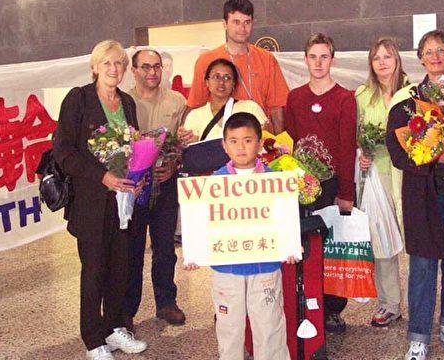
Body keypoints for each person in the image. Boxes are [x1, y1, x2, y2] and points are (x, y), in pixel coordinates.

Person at [386, 30, 444, 360]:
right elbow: (398, 153)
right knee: (424, 265)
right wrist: (438, 156)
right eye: (429, 51)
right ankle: (419, 335)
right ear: (420, 58)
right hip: (424, 193)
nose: (436, 56)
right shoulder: (407, 103)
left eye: (441, 49)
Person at [52, 40, 147, 360]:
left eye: (119, 63)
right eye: (107, 63)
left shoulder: (128, 103)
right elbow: (64, 151)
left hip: (124, 203)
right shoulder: (78, 99)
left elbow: (135, 148)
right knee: (94, 272)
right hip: (91, 203)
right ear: (95, 67)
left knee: (121, 268)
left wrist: (139, 175)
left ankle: (115, 327)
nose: (114, 69)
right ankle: (93, 338)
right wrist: (102, 176)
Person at [184, 112, 295, 360]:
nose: (241, 147)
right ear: (224, 145)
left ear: (259, 143)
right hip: (227, 269)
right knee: (229, 329)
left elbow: (283, 219)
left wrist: (289, 246)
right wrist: (194, 251)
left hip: (264, 267)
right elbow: (201, 222)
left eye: (247, 140)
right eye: (233, 141)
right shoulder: (214, 182)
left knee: (270, 327)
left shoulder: (273, 181)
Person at [285, 33, 357, 333]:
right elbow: (289, 141)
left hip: (332, 186)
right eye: (313, 57)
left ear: (332, 59)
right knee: (302, 247)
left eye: (324, 56)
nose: (318, 62)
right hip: (301, 187)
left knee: (332, 248)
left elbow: (346, 148)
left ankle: (332, 309)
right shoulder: (295, 97)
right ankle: (302, 300)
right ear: (305, 60)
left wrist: (345, 192)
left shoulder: (344, 99)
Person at [123, 49, 187, 330]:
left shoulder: (177, 101)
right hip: (133, 188)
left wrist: (174, 164)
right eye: (145, 67)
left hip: (166, 183)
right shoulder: (122, 102)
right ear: (134, 70)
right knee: (132, 250)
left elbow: (183, 142)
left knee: (165, 248)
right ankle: (126, 310)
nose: (152, 72)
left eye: (157, 67)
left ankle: (166, 302)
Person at [355, 38, 409, 328]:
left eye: (388, 56)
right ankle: (389, 303)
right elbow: (356, 134)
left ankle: (420, 301)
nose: (383, 62)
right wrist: (362, 153)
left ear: (397, 60)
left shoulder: (412, 91)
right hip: (378, 175)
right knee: (382, 241)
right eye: (377, 58)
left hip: (409, 175)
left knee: (414, 242)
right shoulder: (362, 95)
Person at [187, 0, 289, 134]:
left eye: (247, 22)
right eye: (236, 22)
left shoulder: (267, 59)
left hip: (261, 138)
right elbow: (195, 105)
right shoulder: (206, 60)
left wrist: (279, 147)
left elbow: (277, 107)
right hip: (221, 139)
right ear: (224, 23)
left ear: (253, 23)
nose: (242, 28)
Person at [179, 58, 267, 144]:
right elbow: (191, 152)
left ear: (233, 83)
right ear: (207, 82)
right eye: (216, 77)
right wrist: (188, 141)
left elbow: (264, 143)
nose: (221, 82)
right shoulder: (195, 116)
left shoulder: (250, 108)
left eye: (227, 78)